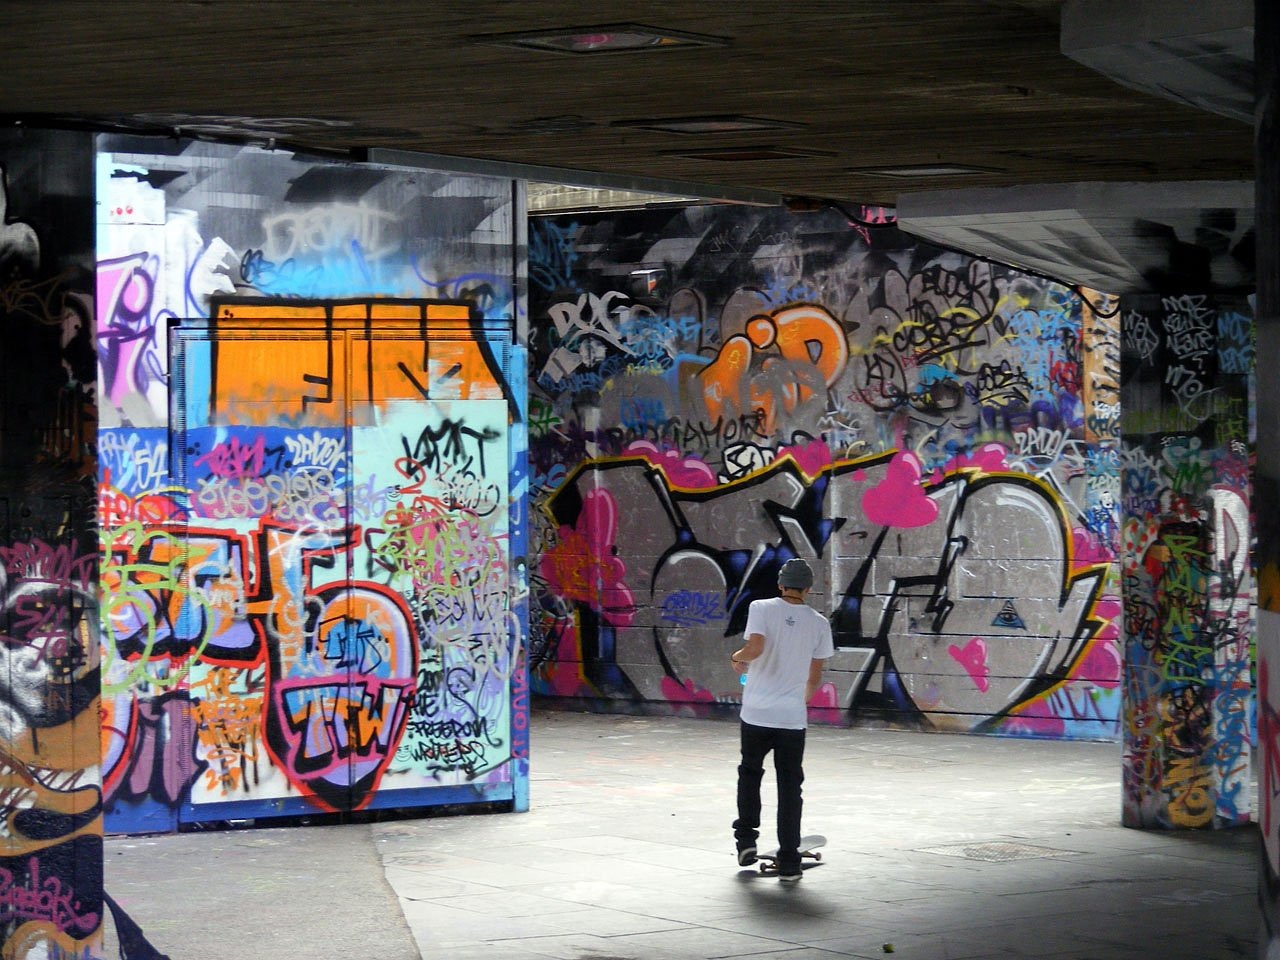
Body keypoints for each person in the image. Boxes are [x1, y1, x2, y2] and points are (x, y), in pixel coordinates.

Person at [729, 557, 834, 881]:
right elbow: (814, 678)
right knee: (790, 787)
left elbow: (755, 647)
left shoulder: (761, 608)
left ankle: (746, 839)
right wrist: (796, 702)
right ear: (808, 589)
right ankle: (789, 859)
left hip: (756, 713)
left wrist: (737, 657)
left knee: (750, 773)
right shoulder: (819, 623)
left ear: (780, 584)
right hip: (791, 719)